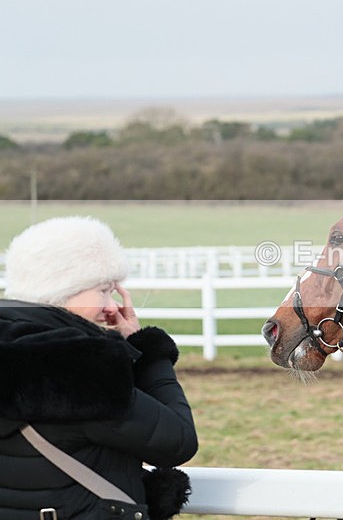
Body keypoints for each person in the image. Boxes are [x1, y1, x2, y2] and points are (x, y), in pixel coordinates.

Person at [0, 216, 198, 519]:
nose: (111, 306)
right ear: (62, 289)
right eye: (104, 290)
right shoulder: (83, 367)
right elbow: (178, 442)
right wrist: (149, 352)